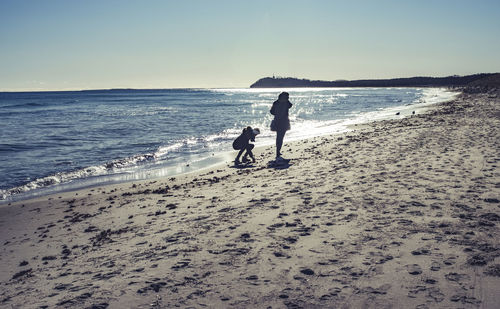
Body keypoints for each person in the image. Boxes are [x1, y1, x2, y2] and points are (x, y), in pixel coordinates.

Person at [270, 92, 292, 160]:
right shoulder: (286, 103)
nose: (288, 98)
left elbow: (271, 112)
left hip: (277, 121)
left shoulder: (276, 102)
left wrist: (277, 114)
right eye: (287, 97)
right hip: (284, 122)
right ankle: (278, 152)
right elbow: (290, 105)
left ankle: (278, 151)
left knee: (278, 137)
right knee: (280, 137)